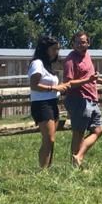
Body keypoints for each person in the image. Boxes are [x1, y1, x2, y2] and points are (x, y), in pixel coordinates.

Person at [62, 31, 102, 169]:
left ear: (88, 43)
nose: (80, 45)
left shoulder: (87, 55)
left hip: (92, 98)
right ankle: (75, 165)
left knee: (98, 130)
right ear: (73, 44)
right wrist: (88, 80)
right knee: (78, 132)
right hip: (78, 99)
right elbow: (68, 83)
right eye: (77, 42)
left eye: (83, 42)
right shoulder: (70, 60)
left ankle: (78, 156)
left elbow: (90, 75)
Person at [29, 36, 68, 169]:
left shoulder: (48, 66)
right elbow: (34, 85)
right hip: (41, 104)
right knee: (48, 139)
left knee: (51, 139)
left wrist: (61, 87)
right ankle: (42, 170)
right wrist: (54, 88)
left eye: (57, 49)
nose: (56, 52)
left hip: (52, 102)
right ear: (45, 49)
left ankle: (47, 168)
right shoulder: (37, 63)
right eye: (53, 49)